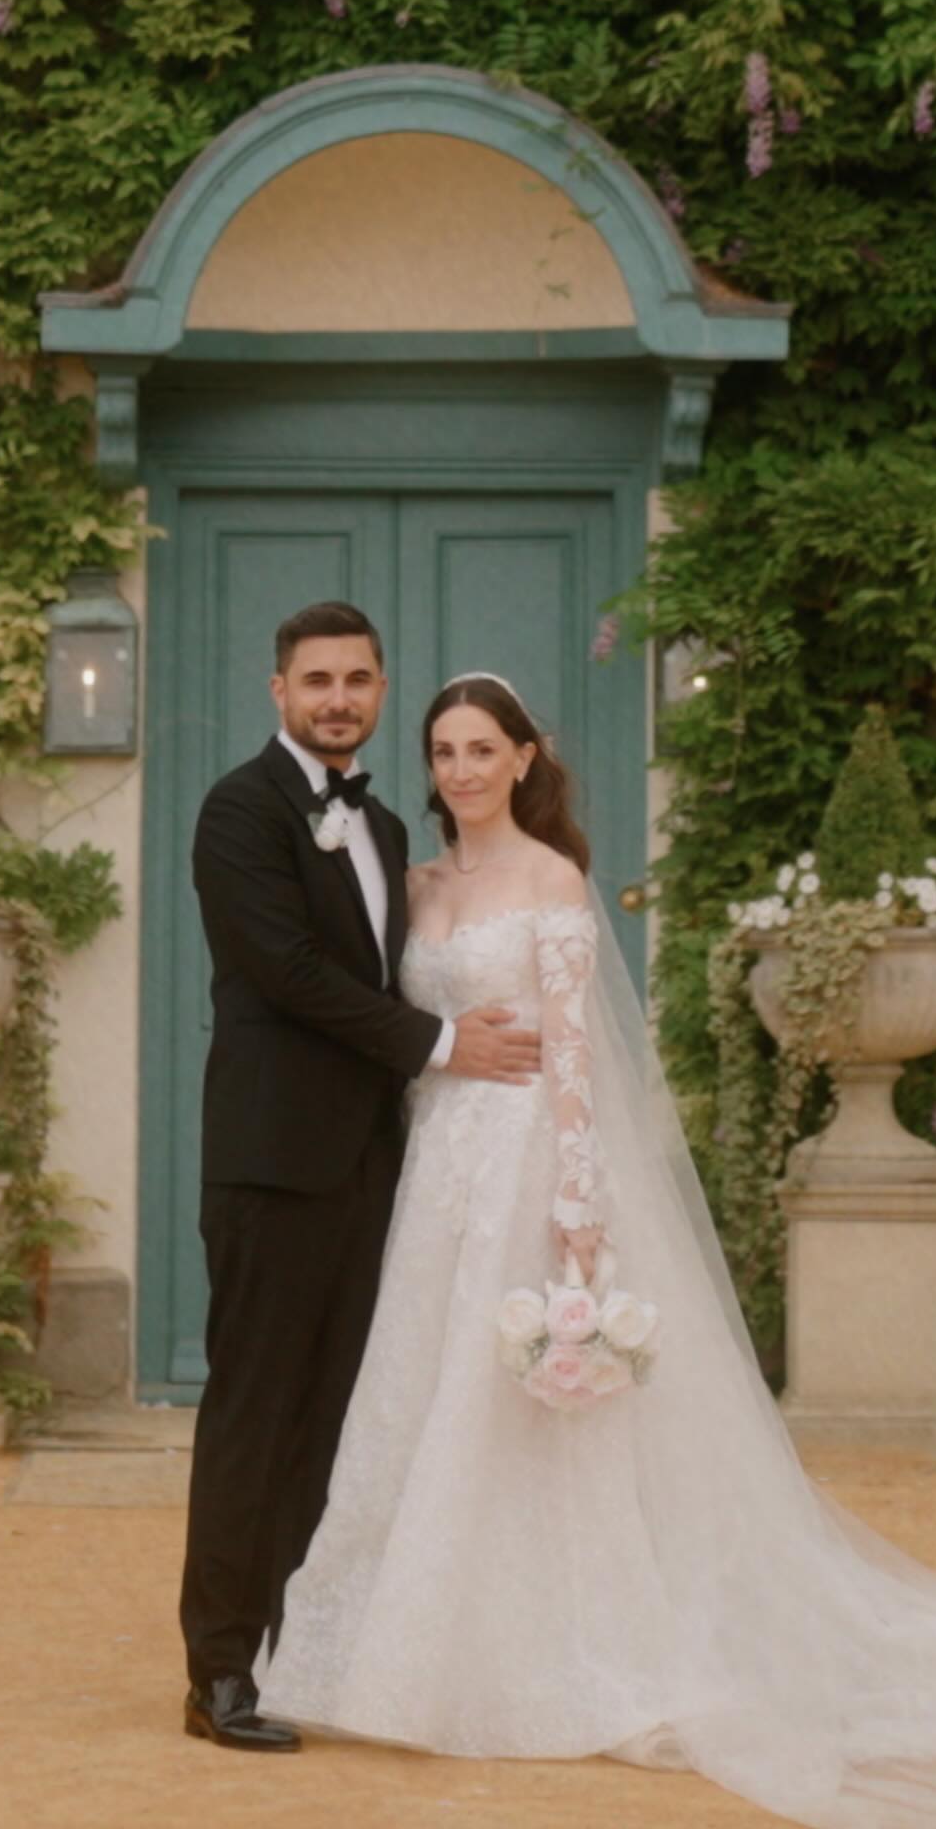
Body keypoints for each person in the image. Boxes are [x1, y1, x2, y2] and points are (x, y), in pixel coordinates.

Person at [261, 671, 936, 1828]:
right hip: (436, 1169)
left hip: (523, 1174)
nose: (460, 770)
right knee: (424, 1393)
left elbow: (579, 1057)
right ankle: (404, 1653)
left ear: (524, 759)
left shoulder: (553, 881)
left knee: (530, 1422)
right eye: (444, 751)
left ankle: (560, 1654)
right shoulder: (414, 883)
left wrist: (580, 1204)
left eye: (481, 750)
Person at [178, 606, 545, 1752]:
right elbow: (283, 972)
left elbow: (399, 967)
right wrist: (442, 1047)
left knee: (335, 1422)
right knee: (254, 1414)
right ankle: (221, 1672)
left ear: (381, 690)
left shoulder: (385, 826)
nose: (337, 698)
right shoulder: (238, 811)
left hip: (379, 1171)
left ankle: (302, 1646)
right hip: (273, 1166)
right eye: (316, 680)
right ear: (277, 689)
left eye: (357, 680)